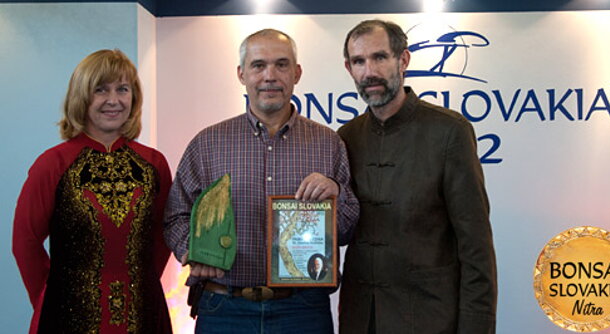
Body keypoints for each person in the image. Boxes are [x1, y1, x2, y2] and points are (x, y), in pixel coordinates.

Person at [163, 29, 359, 334]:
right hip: (223, 307)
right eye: (258, 65)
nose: (270, 75)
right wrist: (193, 252)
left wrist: (335, 196)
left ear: (297, 73)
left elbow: (347, 229)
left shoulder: (328, 144)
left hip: (302, 309)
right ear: (242, 74)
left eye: (281, 65)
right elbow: (175, 216)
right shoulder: (207, 143)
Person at [337, 20, 498, 334]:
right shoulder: (346, 137)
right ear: (349, 68)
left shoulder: (450, 132)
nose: (369, 71)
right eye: (359, 61)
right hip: (360, 320)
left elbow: (475, 248)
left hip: (430, 319)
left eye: (380, 57)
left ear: (403, 60)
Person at [12, 49, 173, 334]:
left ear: (134, 97)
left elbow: (162, 236)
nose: (113, 100)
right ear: (81, 97)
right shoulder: (53, 163)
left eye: (122, 89)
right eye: (101, 90)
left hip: (143, 311)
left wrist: (142, 284)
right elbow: (25, 242)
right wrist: (49, 296)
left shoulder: (154, 163)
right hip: (66, 313)